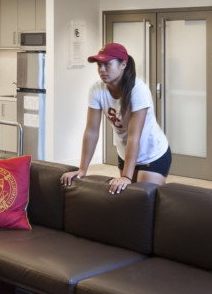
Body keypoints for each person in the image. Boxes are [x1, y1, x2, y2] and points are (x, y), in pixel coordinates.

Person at [59, 43, 171, 195]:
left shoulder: (138, 91)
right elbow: (91, 131)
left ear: (123, 64)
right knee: (125, 196)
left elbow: (134, 137)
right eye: (99, 65)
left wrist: (126, 176)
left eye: (107, 65)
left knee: (143, 198)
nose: (102, 70)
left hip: (152, 155)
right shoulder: (97, 90)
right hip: (125, 154)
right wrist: (82, 170)